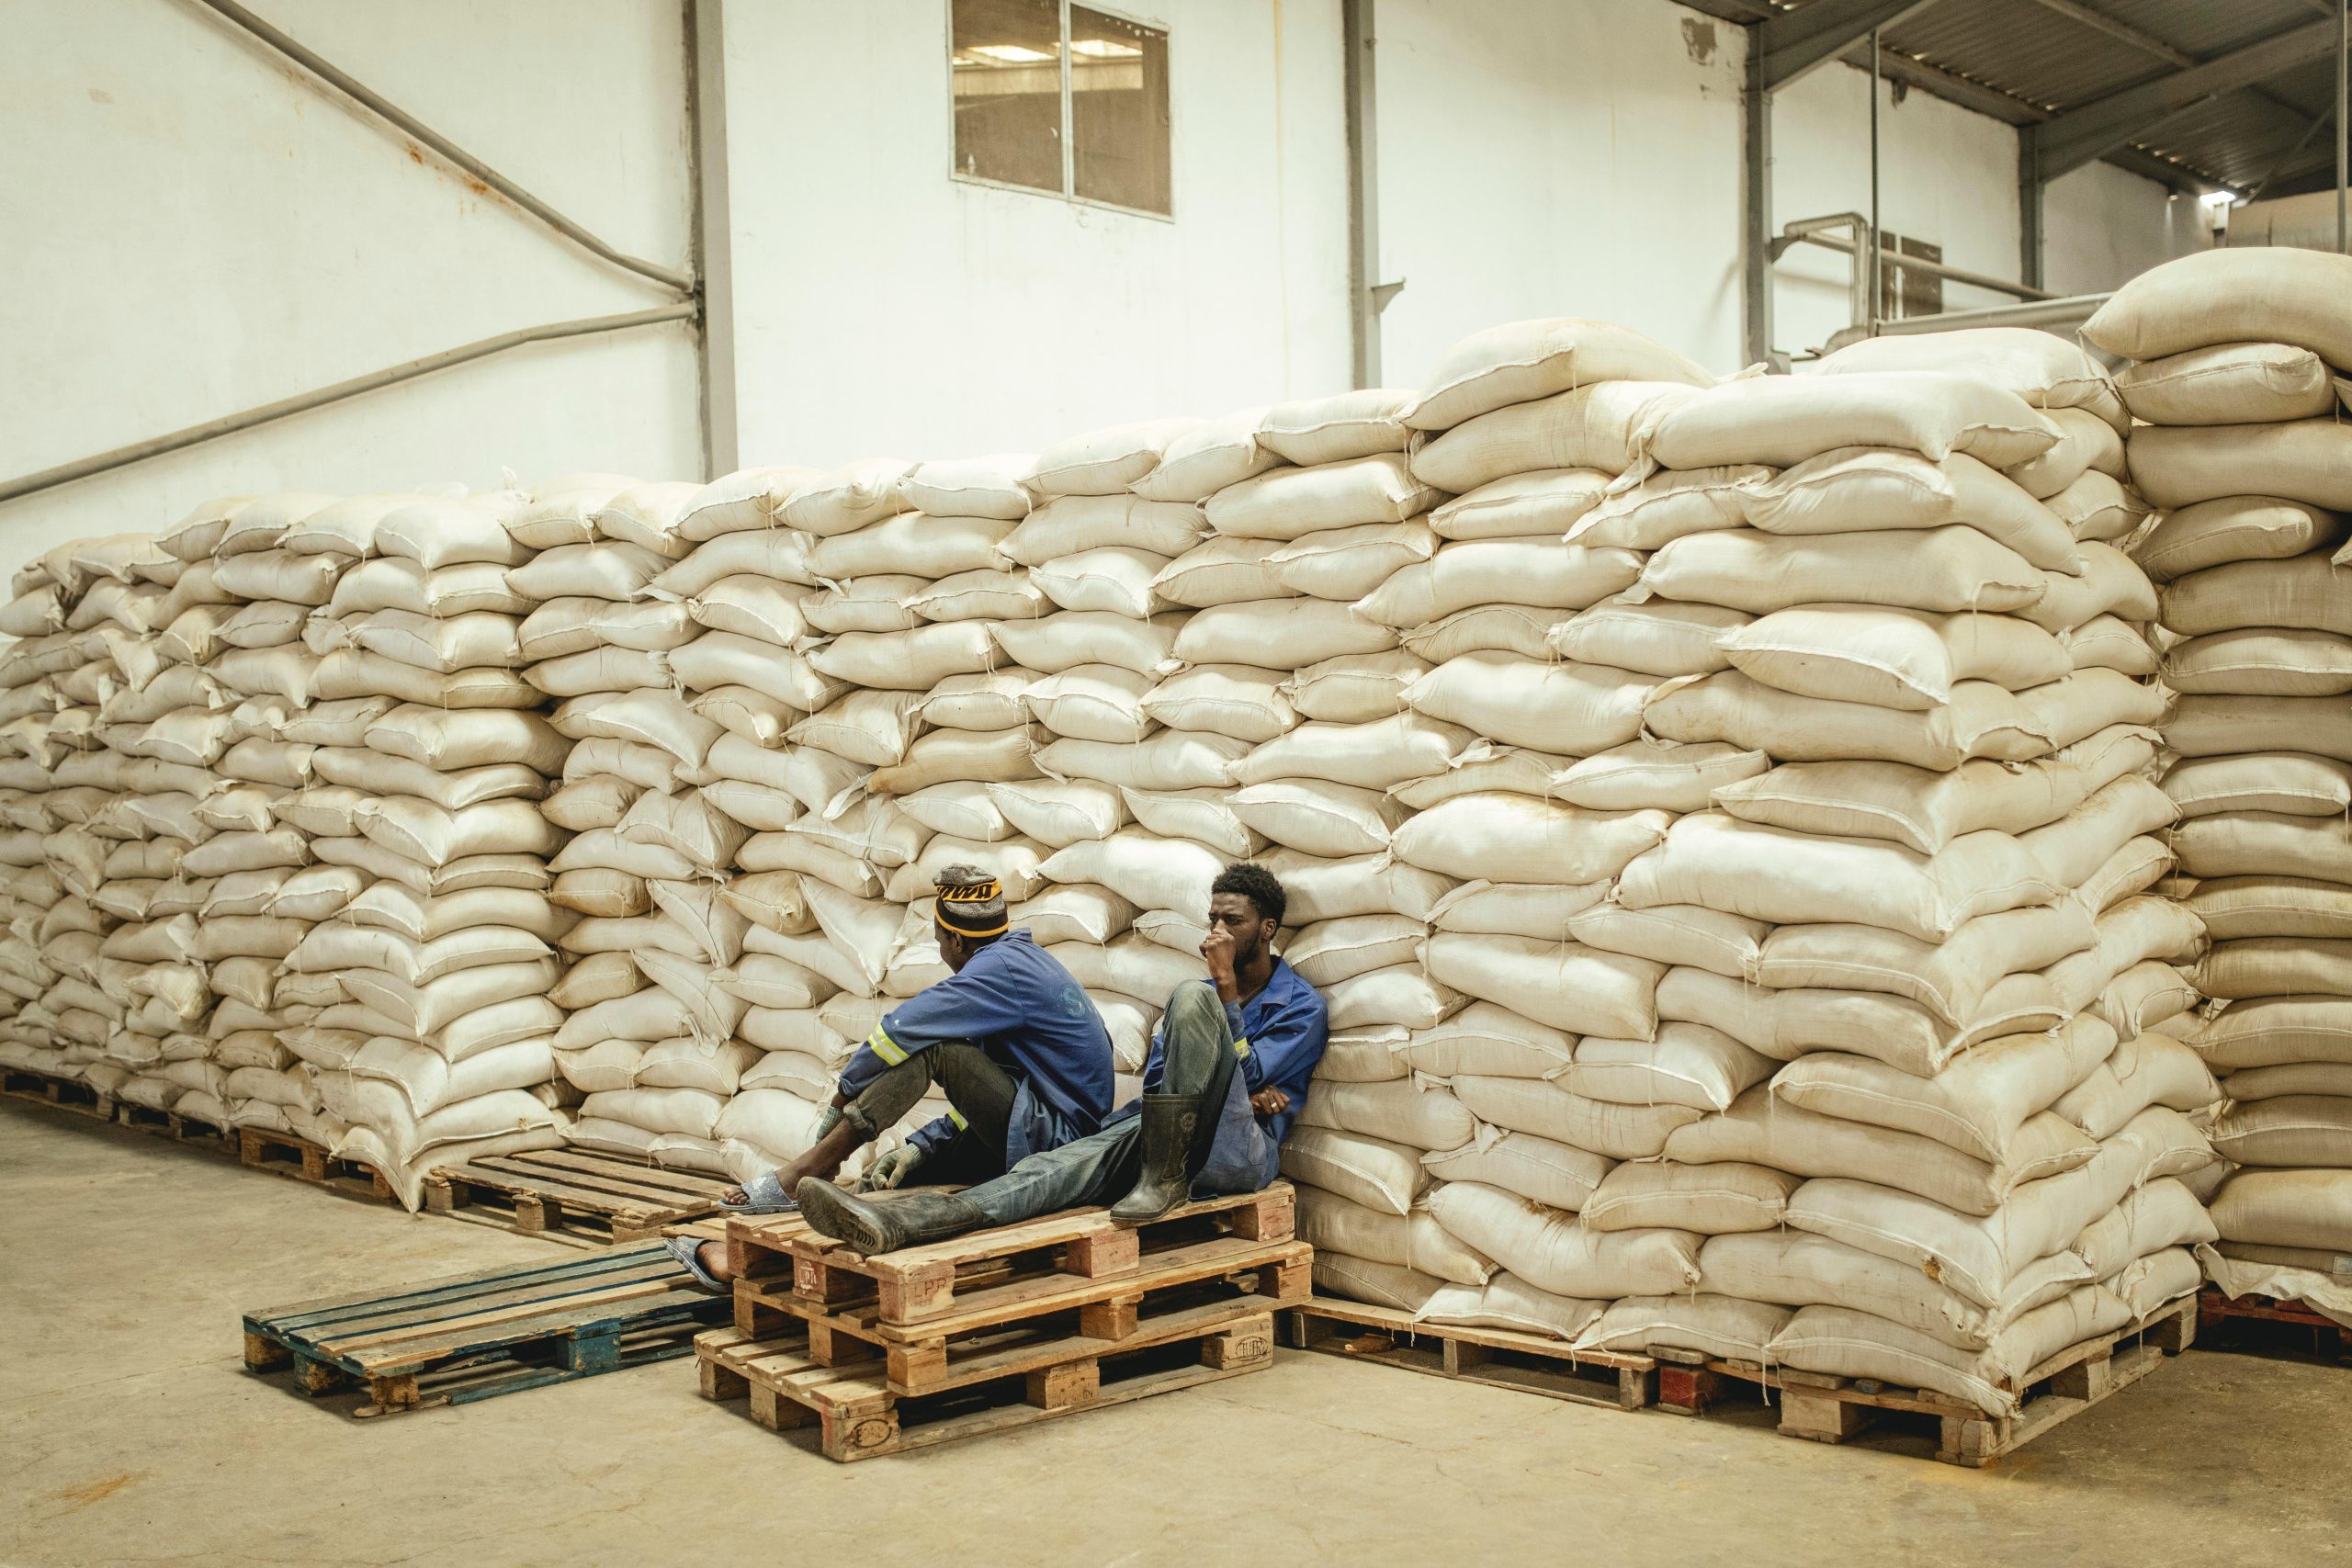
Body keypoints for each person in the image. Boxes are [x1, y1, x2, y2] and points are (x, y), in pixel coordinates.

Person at [792, 862, 1328, 1256]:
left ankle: (1164, 1182)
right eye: (1212, 918)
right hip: (1160, 1136)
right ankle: (901, 1225)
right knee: (1044, 1174)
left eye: (1231, 921)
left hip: (1238, 1150)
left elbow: (1250, 1073)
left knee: (1192, 996)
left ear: (1267, 929)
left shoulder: (1299, 1007)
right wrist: (1237, 1084)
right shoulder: (1198, 1006)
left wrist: (1226, 994)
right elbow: (1163, 1083)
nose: (1217, 932)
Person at [696, 863, 1113, 1244]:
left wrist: (842, 1097)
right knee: (906, 1174)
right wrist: (920, 1146)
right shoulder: (1020, 962)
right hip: (1043, 1124)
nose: (941, 952)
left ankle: (810, 1167)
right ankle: (844, 1210)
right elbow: (999, 1087)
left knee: (939, 1049)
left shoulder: (996, 972)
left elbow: (900, 1030)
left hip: (1059, 1142)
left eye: (938, 942)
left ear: (955, 939)